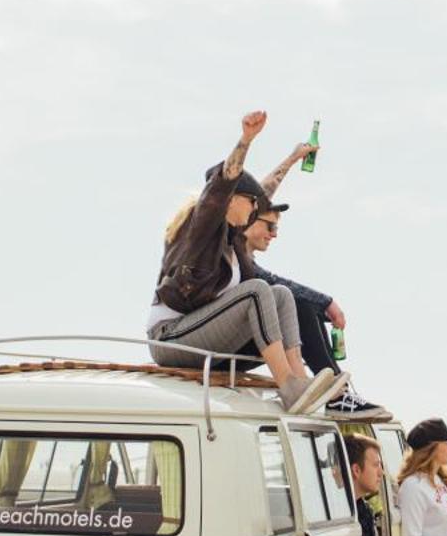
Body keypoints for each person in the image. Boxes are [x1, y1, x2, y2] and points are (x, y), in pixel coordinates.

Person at [146, 110, 342, 414]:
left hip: (200, 334)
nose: (254, 209)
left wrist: (292, 159)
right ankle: (288, 386)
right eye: (250, 203)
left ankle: (301, 383)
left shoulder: (232, 240)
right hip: (170, 336)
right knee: (256, 289)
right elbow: (222, 183)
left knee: (281, 295)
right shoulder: (202, 227)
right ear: (230, 200)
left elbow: (263, 191)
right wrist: (246, 139)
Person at [242, 203, 385, 418]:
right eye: (270, 226)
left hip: (251, 334)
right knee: (298, 304)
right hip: (225, 337)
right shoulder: (229, 252)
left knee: (305, 306)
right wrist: (326, 302)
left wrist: (322, 306)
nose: (274, 235)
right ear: (248, 219)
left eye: (276, 229)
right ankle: (336, 396)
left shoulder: (244, 259)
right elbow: (269, 281)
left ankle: (338, 391)